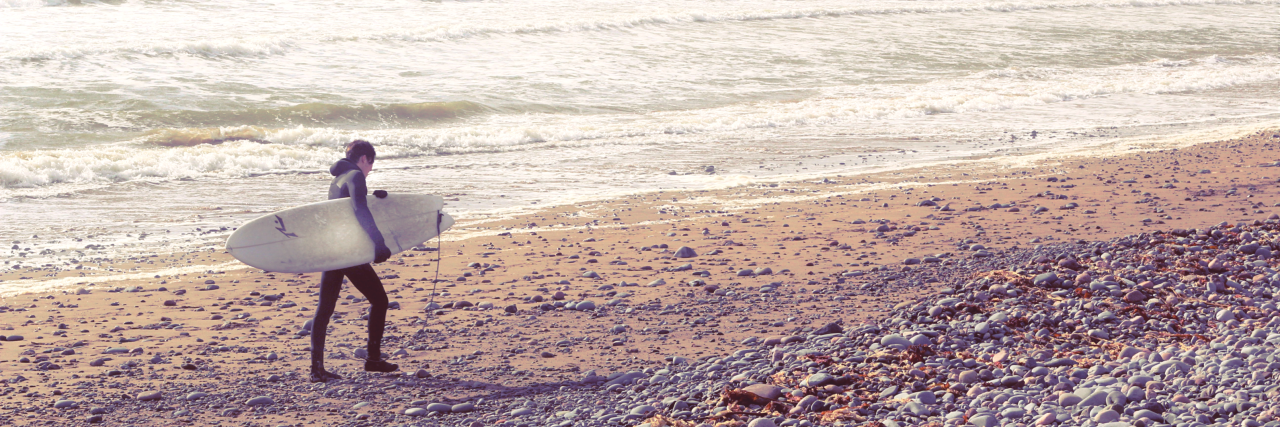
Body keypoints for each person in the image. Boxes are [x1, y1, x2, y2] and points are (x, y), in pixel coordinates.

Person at [310, 139, 398, 382]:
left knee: (325, 310)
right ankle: (373, 360)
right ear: (363, 159)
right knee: (380, 300)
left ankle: (316, 369)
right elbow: (359, 209)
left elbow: (346, 211)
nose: (369, 170)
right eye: (370, 165)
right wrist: (378, 243)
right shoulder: (356, 176)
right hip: (346, 251)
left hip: (332, 249)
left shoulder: (337, 179)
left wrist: (378, 201)